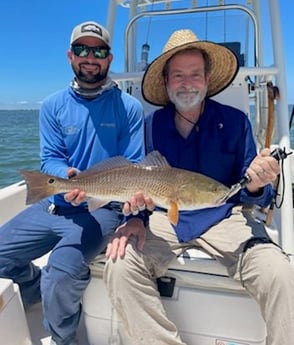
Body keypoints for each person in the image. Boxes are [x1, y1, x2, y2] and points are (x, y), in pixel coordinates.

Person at [104, 29, 294, 345]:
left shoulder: (236, 122)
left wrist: (261, 184)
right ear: (165, 82)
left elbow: (249, 191)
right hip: (164, 219)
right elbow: (135, 179)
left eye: (195, 74)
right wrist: (133, 218)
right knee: (119, 266)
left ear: (207, 79)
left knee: (280, 273)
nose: (187, 83)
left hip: (224, 215)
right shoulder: (150, 125)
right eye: (178, 75)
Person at [0, 21, 145, 345]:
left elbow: (133, 164)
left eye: (98, 51)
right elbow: (49, 158)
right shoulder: (52, 105)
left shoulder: (129, 108)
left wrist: (121, 202)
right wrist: (64, 176)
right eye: (82, 49)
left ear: (109, 59)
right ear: (70, 55)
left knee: (61, 275)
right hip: (54, 203)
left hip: (101, 209)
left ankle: (64, 339)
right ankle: (32, 287)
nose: (89, 57)